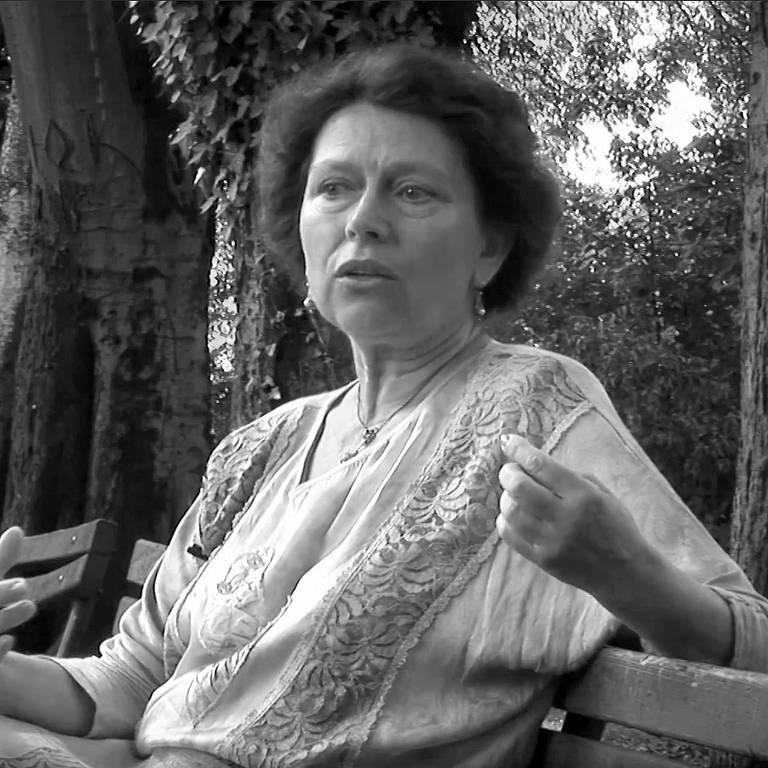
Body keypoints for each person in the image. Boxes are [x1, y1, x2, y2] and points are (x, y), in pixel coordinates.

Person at [0, 43, 766, 768]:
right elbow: (131, 680)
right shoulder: (260, 449)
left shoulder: (535, 408)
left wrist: (628, 574)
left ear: (490, 248)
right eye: (334, 187)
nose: (362, 218)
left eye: (412, 191)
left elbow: (753, 645)